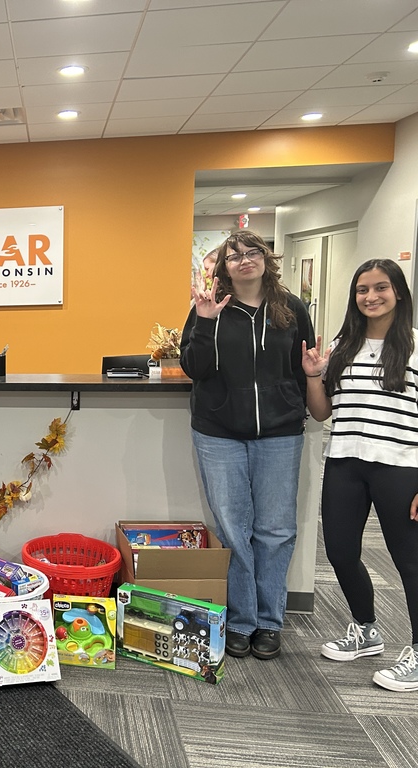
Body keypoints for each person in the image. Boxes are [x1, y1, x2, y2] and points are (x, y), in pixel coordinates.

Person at [181, 230, 314, 661]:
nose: (244, 260)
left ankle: (270, 621)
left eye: (252, 252)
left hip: (280, 433)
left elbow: (304, 365)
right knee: (233, 529)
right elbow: (194, 368)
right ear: (224, 267)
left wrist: (295, 404)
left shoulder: (290, 308)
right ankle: (241, 619)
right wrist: (204, 321)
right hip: (219, 432)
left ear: (265, 258)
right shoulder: (209, 307)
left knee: (276, 530)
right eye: (234, 255)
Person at [303, 258, 418, 692]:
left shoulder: (415, 346)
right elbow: (321, 413)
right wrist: (313, 376)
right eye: (362, 289)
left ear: (398, 292)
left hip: (401, 465)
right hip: (345, 461)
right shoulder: (343, 345)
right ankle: (367, 630)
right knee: (340, 552)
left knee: (409, 561)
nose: (371, 297)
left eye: (381, 287)